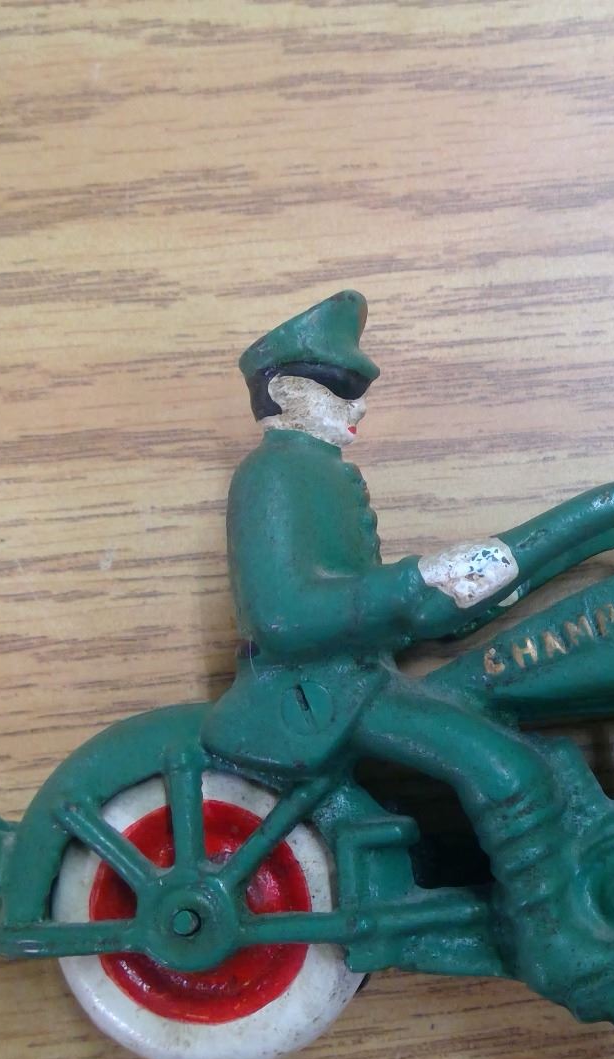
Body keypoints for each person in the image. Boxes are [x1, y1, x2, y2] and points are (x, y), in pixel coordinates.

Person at [204, 291, 565, 928]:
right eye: (341, 391)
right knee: (509, 772)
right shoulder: (273, 475)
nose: (358, 407)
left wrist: (451, 599)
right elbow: (283, 615)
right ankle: (552, 934)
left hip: (358, 676)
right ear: (285, 392)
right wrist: (411, 583)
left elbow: (365, 603)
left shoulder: (324, 473)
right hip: (318, 692)